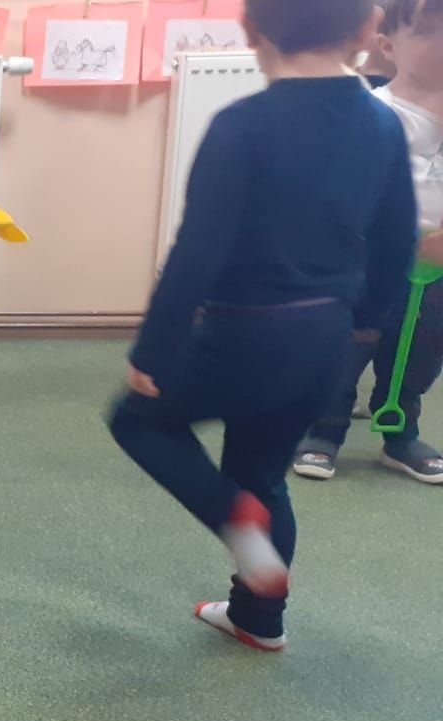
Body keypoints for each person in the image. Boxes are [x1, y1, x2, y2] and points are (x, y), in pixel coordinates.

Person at [107, 0, 416, 652]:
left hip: (241, 335)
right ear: (368, 30)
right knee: (263, 471)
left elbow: (197, 252)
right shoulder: (383, 125)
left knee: (136, 420)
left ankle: (233, 518)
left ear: (249, 29)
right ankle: (258, 618)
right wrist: (364, 324)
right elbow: (397, 242)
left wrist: (151, 352)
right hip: (325, 340)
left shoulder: (242, 125)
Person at [296, 0, 443, 485]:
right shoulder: (373, 113)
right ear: (387, 45)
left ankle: (400, 433)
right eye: (428, 32)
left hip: (437, 270)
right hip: (370, 262)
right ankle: (324, 430)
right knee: (348, 347)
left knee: (421, 351)